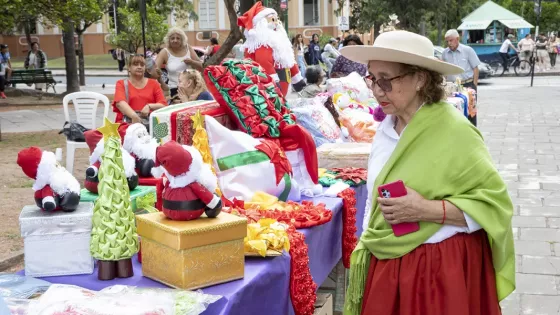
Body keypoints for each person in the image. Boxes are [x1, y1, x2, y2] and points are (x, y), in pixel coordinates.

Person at [340, 30, 515, 315]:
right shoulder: (385, 131)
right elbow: (373, 205)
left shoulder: (456, 131)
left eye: (386, 79)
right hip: (387, 268)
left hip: (438, 274)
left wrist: (425, 209)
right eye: (371, 78)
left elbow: (494, 207)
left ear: (420, 79)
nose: (376, 90)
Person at [442, 29, 481, 126]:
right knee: (455, 111)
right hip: (453, 87)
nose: (449, 43)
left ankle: (472, 133)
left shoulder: (468, 50)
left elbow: (475, 68)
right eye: (447, 41)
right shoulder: (445, 53)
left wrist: (474, 85)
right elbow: (444, 71)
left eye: (451, 40)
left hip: (468, 85)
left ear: (457, 39)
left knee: (471, 112)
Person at [113, 54, 167, 124]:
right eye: (135, 64)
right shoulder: (121, 83)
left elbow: (163, 105)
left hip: (149, 124)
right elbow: (120, 103)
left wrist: (149, 106)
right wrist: (134, 116)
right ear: (129, 68)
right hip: (126, 123)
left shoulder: (154, 84)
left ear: (145, 68)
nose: (139, 67)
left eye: (142, 65)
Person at [156, 27, 203, 98]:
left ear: (182, 40)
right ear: (168, 40)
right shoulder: (164, 52)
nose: (175, 40)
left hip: (192, 88)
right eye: (172, 38)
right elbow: (154, 70)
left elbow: (202, 66)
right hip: (175, 89)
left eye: (178, 38)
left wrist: (192, 62)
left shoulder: (188, 48)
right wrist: (161, 82)